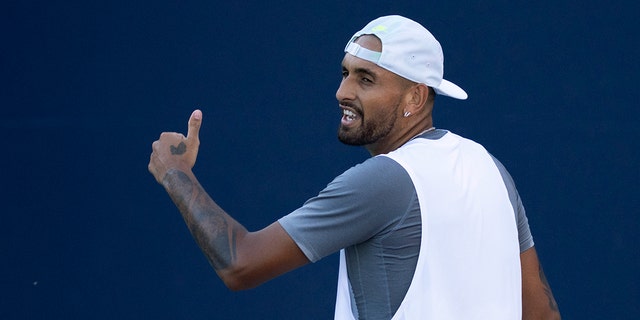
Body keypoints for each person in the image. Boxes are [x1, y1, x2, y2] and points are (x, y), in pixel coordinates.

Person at [149, 15, 560, 320]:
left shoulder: (383, 181)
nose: (342, 91)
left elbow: (240, 263)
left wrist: (176, 173)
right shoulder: (491, 169)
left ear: (414, 98)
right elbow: (541, 312)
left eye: (366, 79)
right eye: (345, 74)